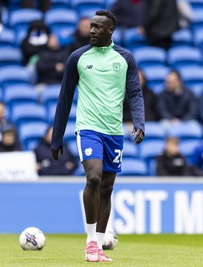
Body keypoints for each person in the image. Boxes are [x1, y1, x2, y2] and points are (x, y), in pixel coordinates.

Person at [51, 10, 144, 262]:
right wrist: (57, 136)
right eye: (91, 26)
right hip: (88, 128)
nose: (91, 30)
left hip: (114, 131)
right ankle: (91, 242)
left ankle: (99, 245)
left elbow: (135, 93)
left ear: (110, 30)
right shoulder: (78, 57)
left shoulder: (125, 58)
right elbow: (65, 97)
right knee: (93, 177)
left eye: (97, 27)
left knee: (106, 188)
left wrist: (139, 122)